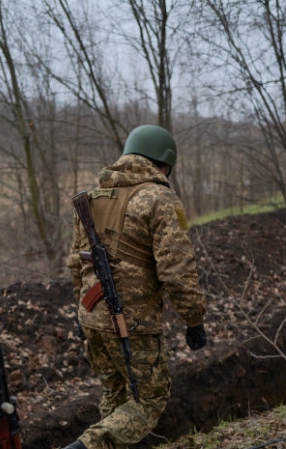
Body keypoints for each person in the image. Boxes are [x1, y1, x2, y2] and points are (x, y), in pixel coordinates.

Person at [63, 125, 208, 449]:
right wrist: (194, 319)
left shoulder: (94, 198)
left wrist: (81, 310)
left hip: (91, 316)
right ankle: (86, 447)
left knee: (116, 397)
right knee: (147, 400)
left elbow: (76, 263)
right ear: (165, 164)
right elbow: (178, 270)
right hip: (132, 323)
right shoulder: (161, 199)